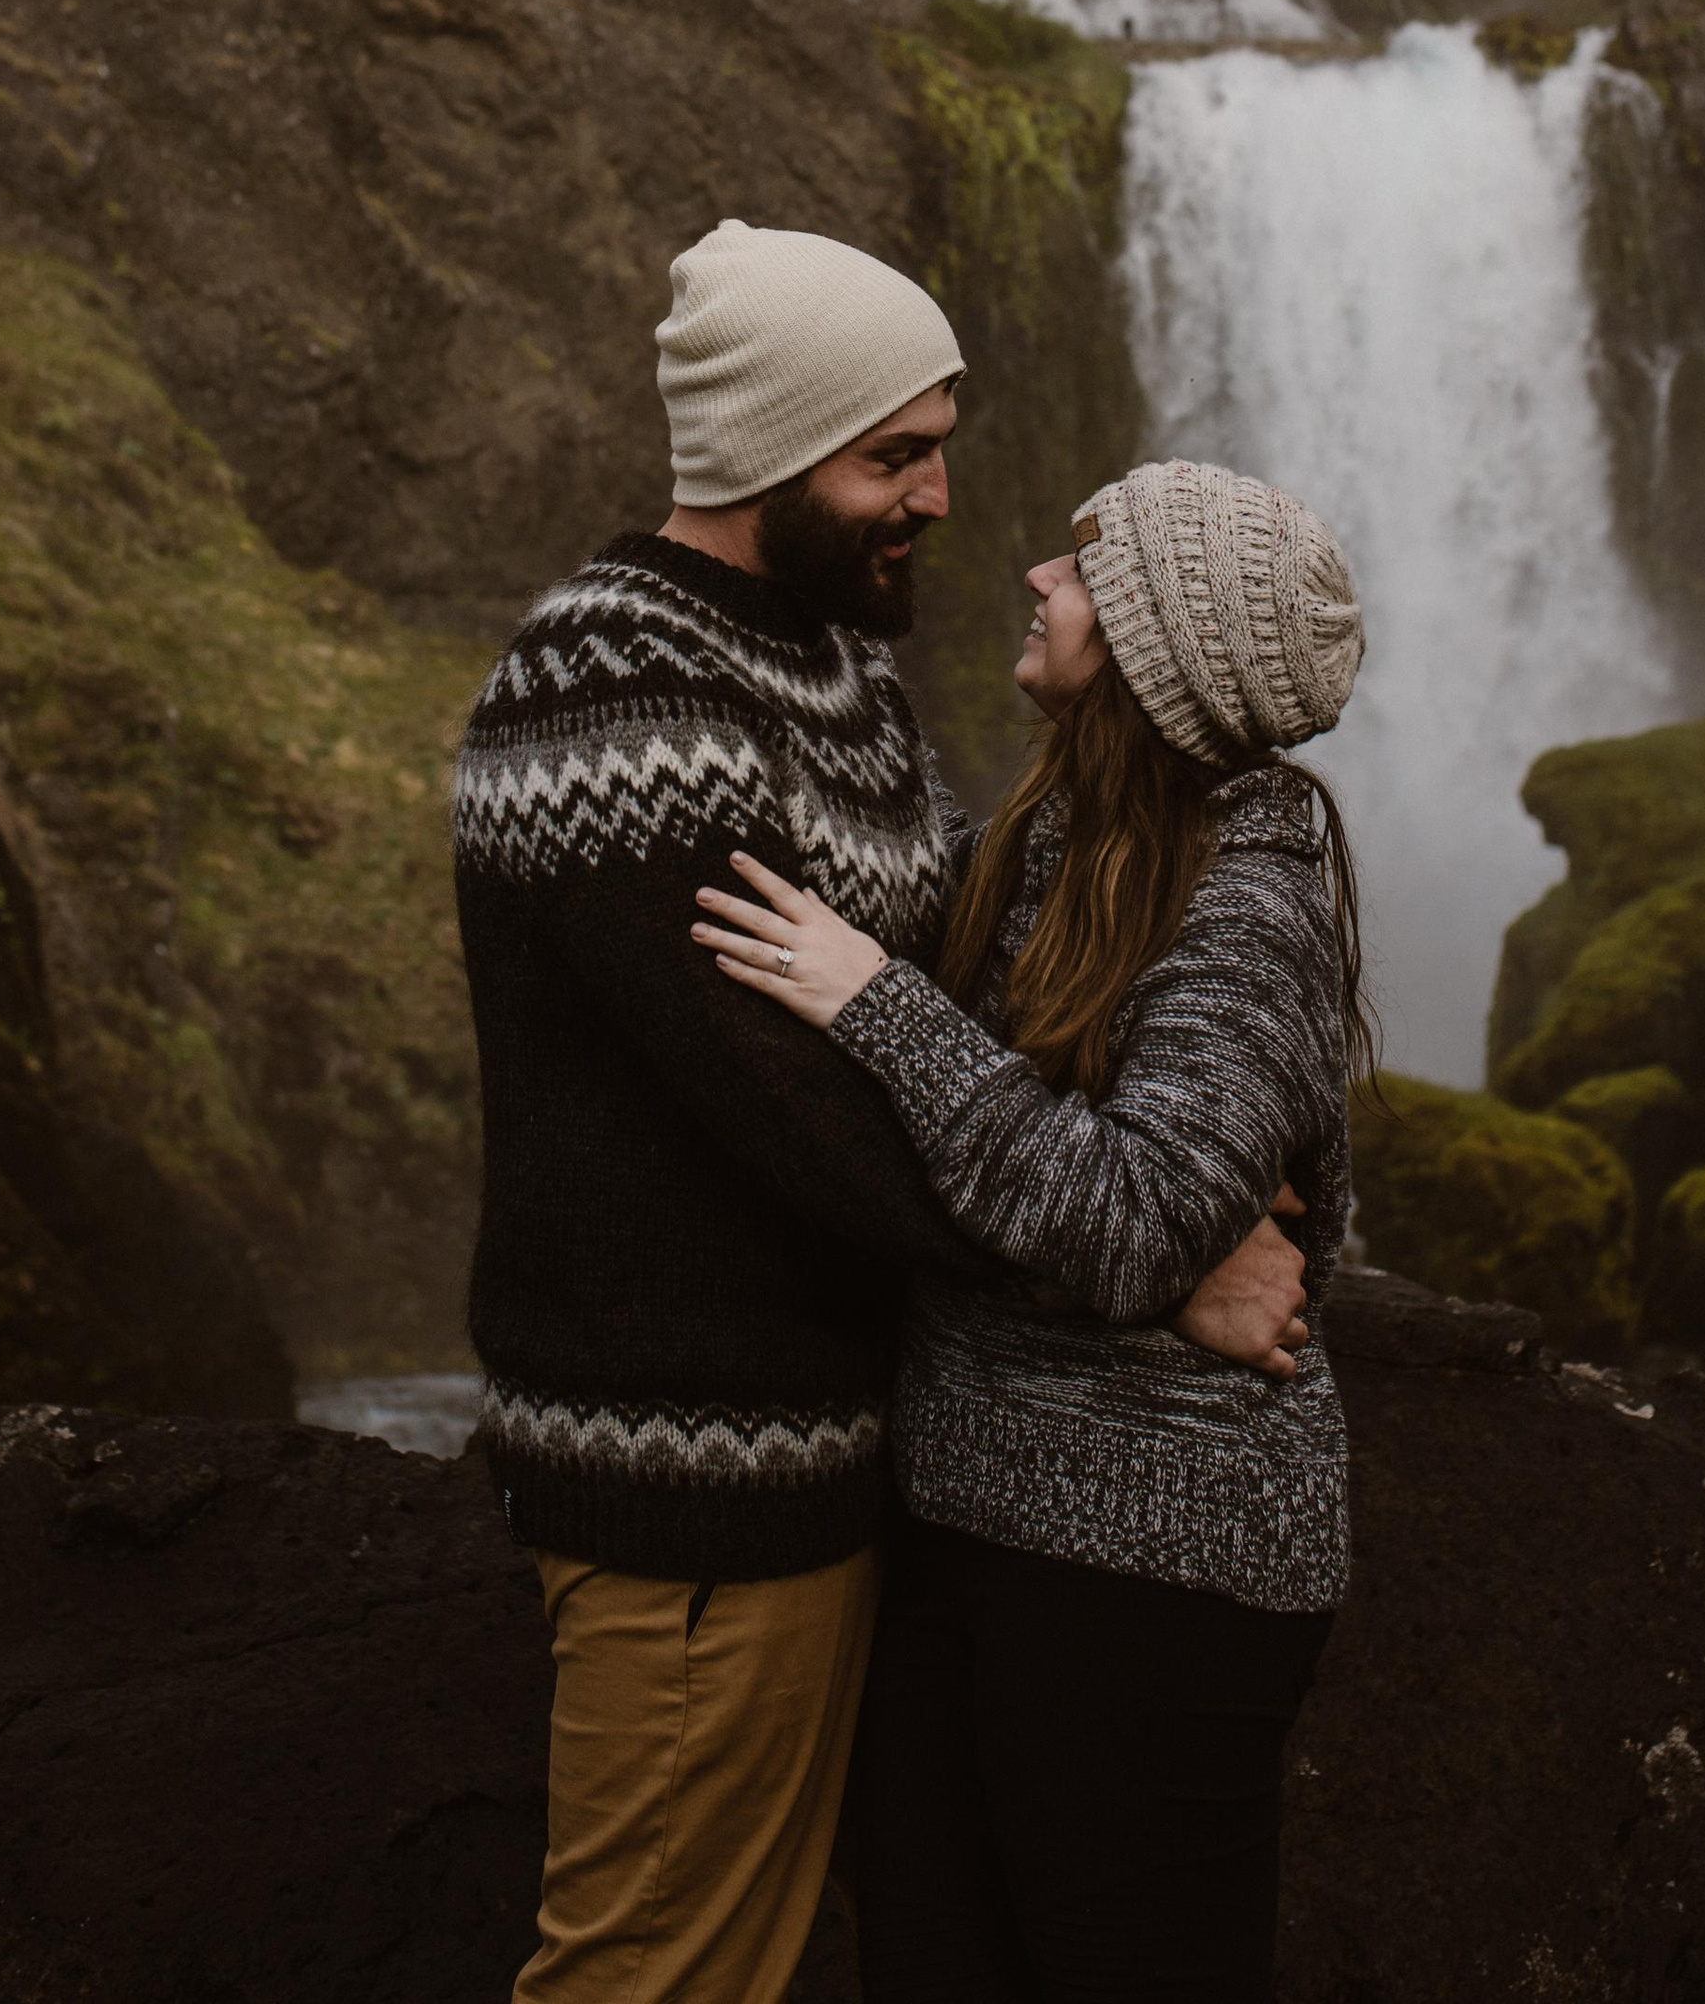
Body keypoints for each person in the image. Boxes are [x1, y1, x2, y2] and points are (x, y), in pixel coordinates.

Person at [454, 229, 1309, 2004]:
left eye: (935, 445)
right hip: (691, 1471)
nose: (938, 495)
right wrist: (1140, 1266)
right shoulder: (620, 688)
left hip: (845, 1462)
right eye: (892, 456)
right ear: (771, 449)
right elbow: (796, 1106)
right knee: (653, 1976)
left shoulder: (839, 669)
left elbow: (942, 1023)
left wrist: (1155, 1190)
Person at [693, 455, 1369, 2002]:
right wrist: (1173, 1260)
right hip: (973, 1523)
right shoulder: (1053, 838)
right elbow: (1112, 1217)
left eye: (1088, 572)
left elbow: (1125, 1223)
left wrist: (878, 1003)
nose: (1037, 580)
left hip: (1159, 1574)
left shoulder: (1249, 910)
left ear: (1156, 648)